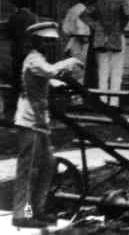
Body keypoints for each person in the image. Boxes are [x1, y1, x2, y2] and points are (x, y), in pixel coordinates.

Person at [12, 22, 83, 229]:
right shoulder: (34, 59)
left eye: (51, 41)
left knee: (48, 166)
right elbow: (48, 71)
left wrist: (58, 83)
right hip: (29, 120)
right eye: (45, 40)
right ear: (35, 41)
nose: (49, 44)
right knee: (29, 171)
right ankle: (22, 214)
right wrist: (69, 62)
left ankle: (37, 210)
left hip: (41, 121)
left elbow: (45, 77)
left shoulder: (40, 60)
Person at [81, 0, 129, 106]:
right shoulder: (122, 1)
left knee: (102, 71)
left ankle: (102, 100)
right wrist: (120, 28)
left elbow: (83, 15)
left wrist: (97, 27)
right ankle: (114, 102)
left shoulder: (99, 3)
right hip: (117, 37)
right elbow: (127, 15)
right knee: (117, 70)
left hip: (101, 38)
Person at [6, 0, 38, 119]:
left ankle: (15, 106)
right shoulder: (33, 17)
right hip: (29, 52)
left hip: (17, 51)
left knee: (17, 78)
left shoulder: (13, 17)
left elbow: (9, 34)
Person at [62, 0, 92, 83]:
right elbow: (81, 30)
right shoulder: (84, 10)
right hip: (82, 43)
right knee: (80, 70)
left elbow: (65, 28)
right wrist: (86, 42)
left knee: (73, 69)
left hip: (72, 42)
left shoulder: (72, 9)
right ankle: (78, 94)